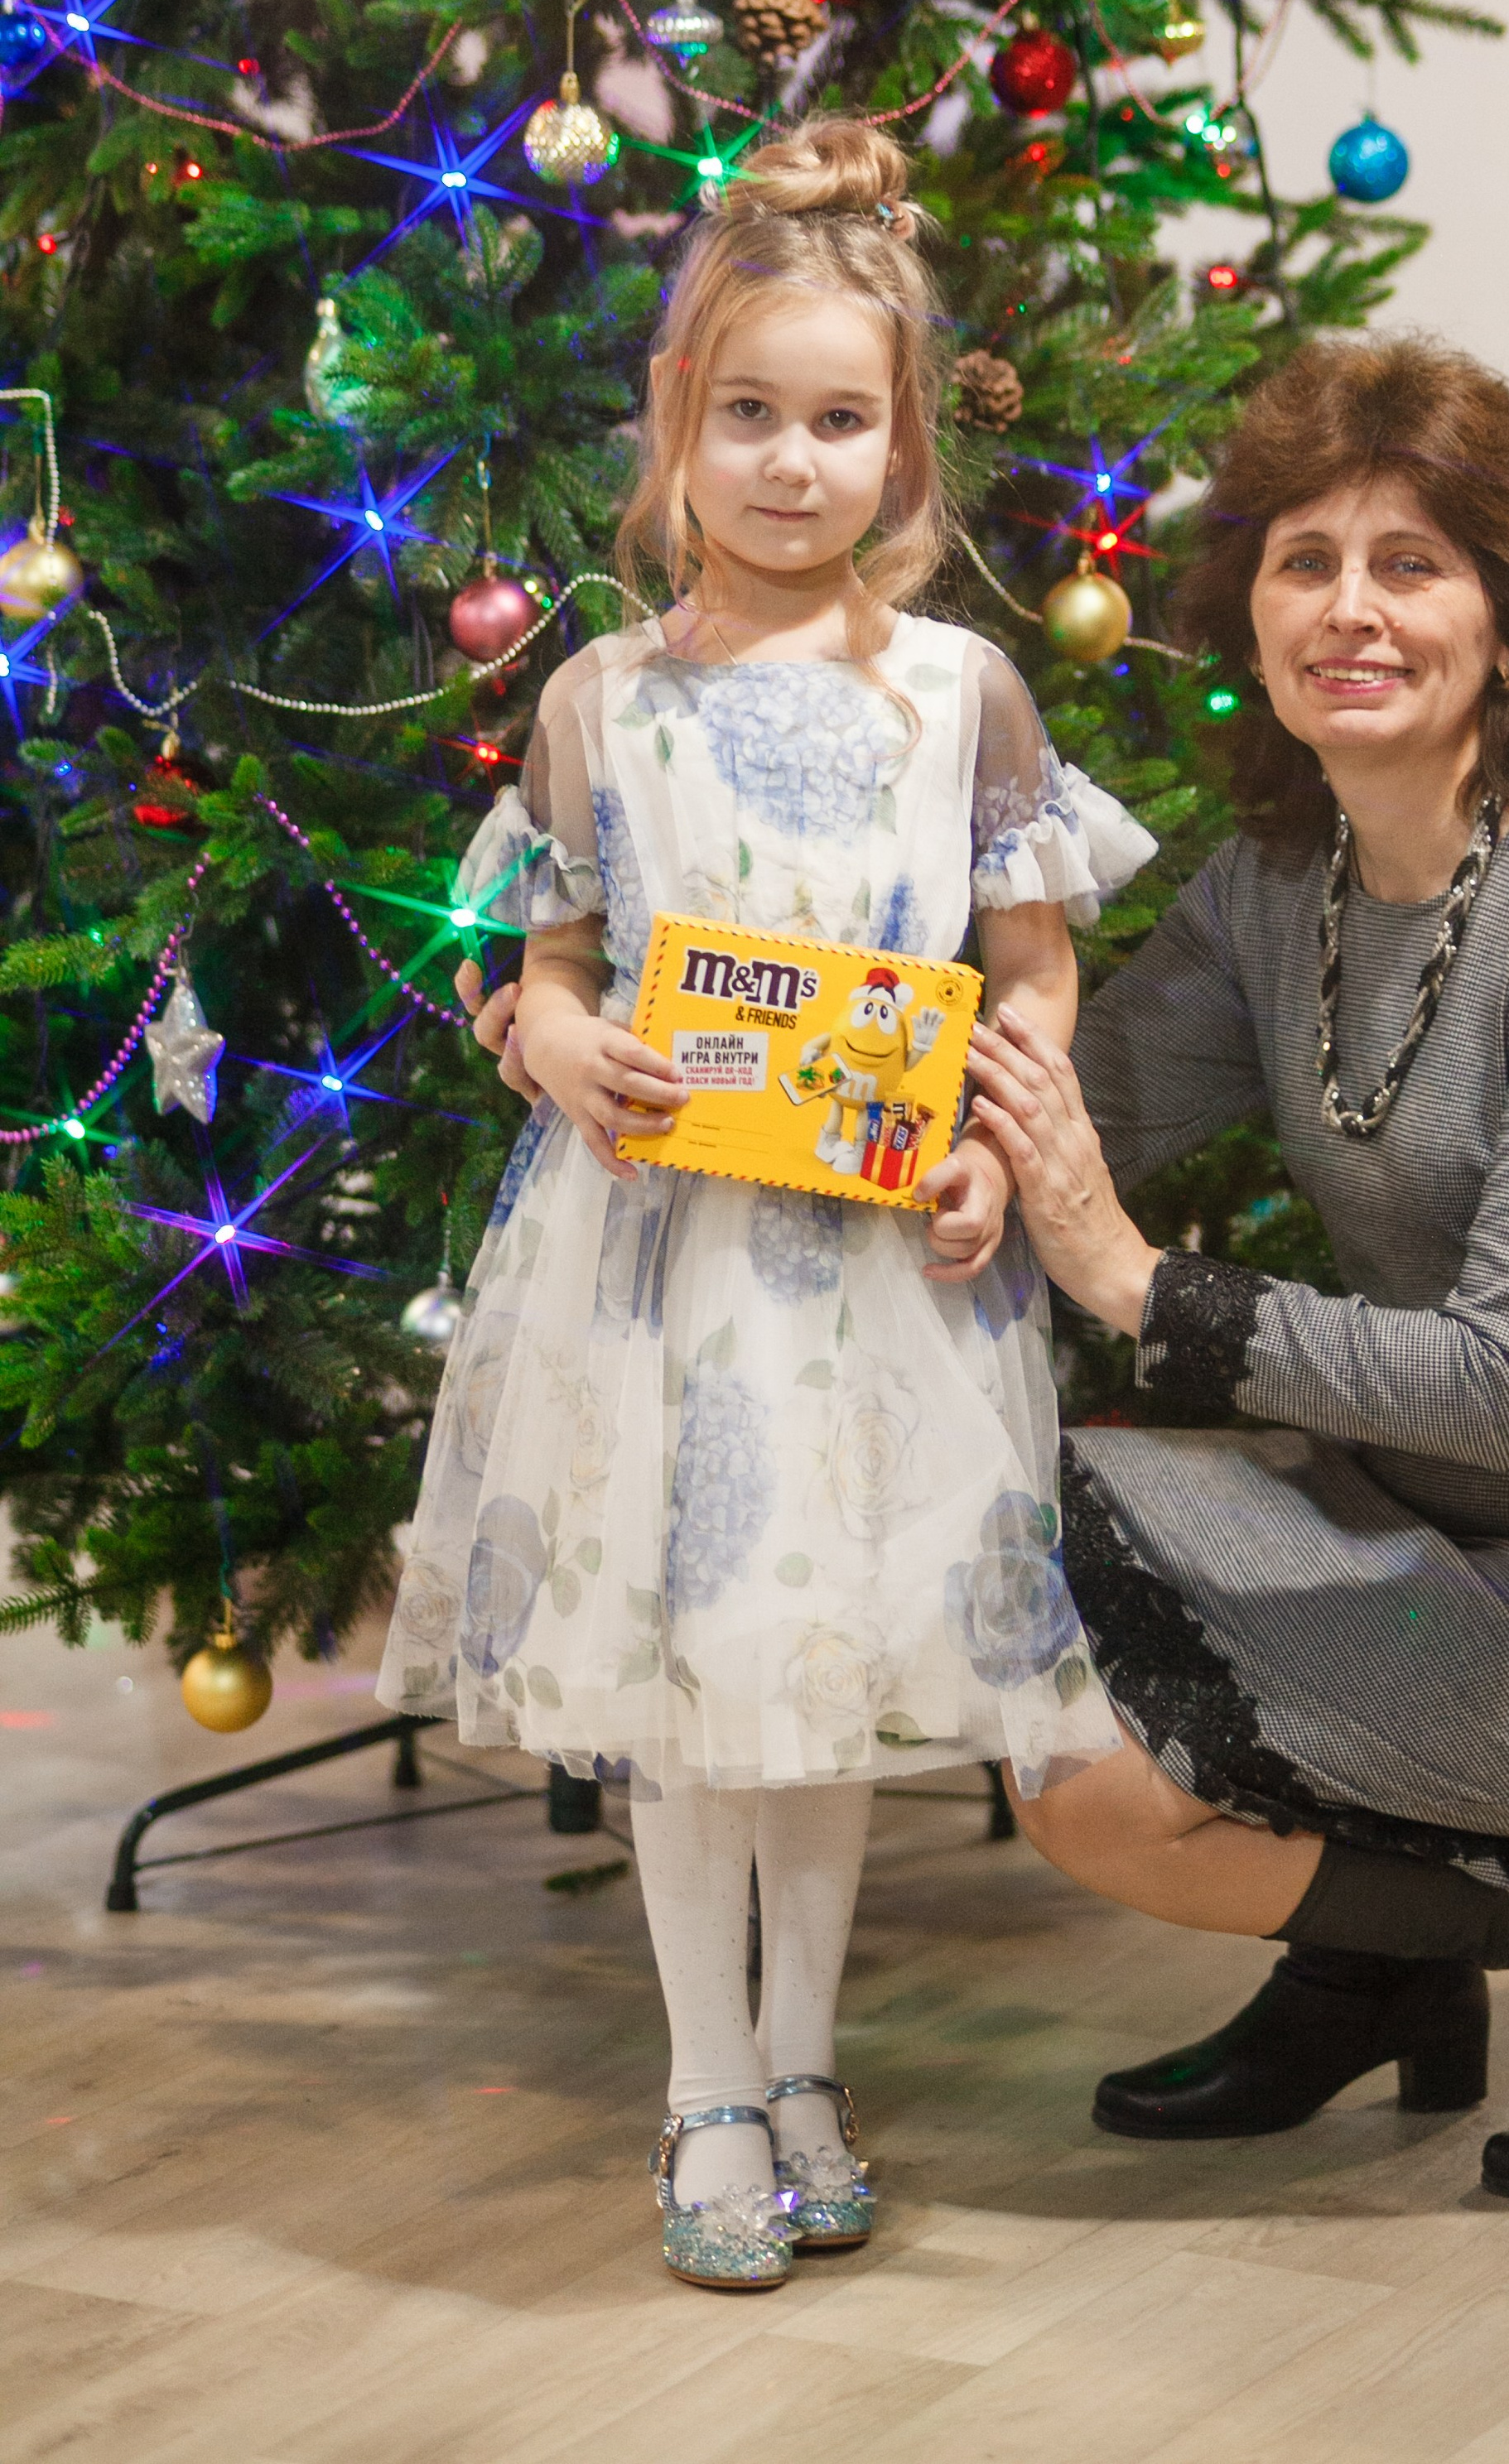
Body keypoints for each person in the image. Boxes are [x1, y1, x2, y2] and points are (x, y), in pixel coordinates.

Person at [959, 334, 1509, 2205]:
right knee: (1029, 1591)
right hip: (1446, 1528)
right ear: (1253, 606)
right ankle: (1376, 1965)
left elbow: (1497, 1374)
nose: (1348, 609)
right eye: (1305, 560)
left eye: (1411, 563)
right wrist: (693, 1053)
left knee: (1092, 1786)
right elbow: (1055, 1100)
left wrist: (1144, 1289)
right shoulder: (1266, 887)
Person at [380, 117, 1150, 2292]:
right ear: (677, 429)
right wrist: (552, 1039)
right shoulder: (598, 704)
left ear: (902, 451)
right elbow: (529, 967)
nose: (791, 463)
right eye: (749, 416)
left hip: (884, 1286)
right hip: (656, 1278)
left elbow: (1033, 966)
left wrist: (1002, 1143)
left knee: (821, 1679)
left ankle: (806, 2058)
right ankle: (703, 2077)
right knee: (686, 1674)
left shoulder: (958, 704)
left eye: (838, 421)